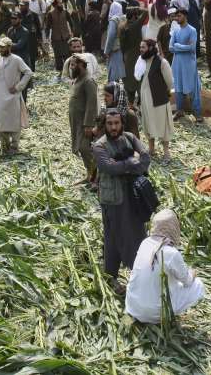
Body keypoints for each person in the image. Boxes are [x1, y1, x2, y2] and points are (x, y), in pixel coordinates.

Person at [92, 110, 152, 293]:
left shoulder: (130, 138)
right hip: (113, 199)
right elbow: (108, 167)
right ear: (105, 125)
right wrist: (131, 162)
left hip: (133, 197)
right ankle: (111, 277)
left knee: (138, 234)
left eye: (116, 123)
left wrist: (124, 164)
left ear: (122, 123)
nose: (113, 127)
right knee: (113, 236)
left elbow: (145, 159)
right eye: (109, 124)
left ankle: (139, 273)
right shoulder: (99, 146)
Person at [125, 209, 205, 324]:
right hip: (154, 312)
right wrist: (192, 273)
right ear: (173, 228)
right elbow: (187, 281)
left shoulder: (145, 242)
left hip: (133, 306)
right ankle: (164, 316)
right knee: (198, 285)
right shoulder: (171, 253)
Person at [0, 36, 32, 156]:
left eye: (3, 47)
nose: (0, 49)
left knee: (14, 121)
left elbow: (28, 72)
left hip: (13, 96)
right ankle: (4, 145)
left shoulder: (16, 59)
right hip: (0, 95)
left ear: (9, 47)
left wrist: (18, 86)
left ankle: (14, 146)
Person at [134, 39, 174, 161]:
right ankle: (151, 149)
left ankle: (166, 153)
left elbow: (170, 82)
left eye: (143, 47)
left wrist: (162, 91)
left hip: (159, 99)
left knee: (163, 125)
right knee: (148, 123)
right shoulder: (142, 61)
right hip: (145, 100)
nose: (141, 50)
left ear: (151, 48)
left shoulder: (162, 63)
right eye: (140, 47)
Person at [68, 54, 100, 186]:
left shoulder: (88, 81)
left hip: (84, 123)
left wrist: (88, 125)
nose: (71, 67)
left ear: (81, 65)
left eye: (73, 65)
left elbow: (92, 104)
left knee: (85, 148)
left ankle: (95, 178)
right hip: (77, 122)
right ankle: (89, 176)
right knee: (82, 149)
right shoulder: (78, 79)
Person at [169, 7, 202, 123]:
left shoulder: (192, 30)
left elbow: (192, 48)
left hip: (189, 64)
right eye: (176, 16)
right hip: (177, 63)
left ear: (185, 16)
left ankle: (197, 113)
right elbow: (170, 48)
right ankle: (179, 110)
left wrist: (178, 46)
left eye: (179, 16)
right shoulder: (175, 31)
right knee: (178, 88)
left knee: (193, 88)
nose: (177, 18)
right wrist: (183, 47)